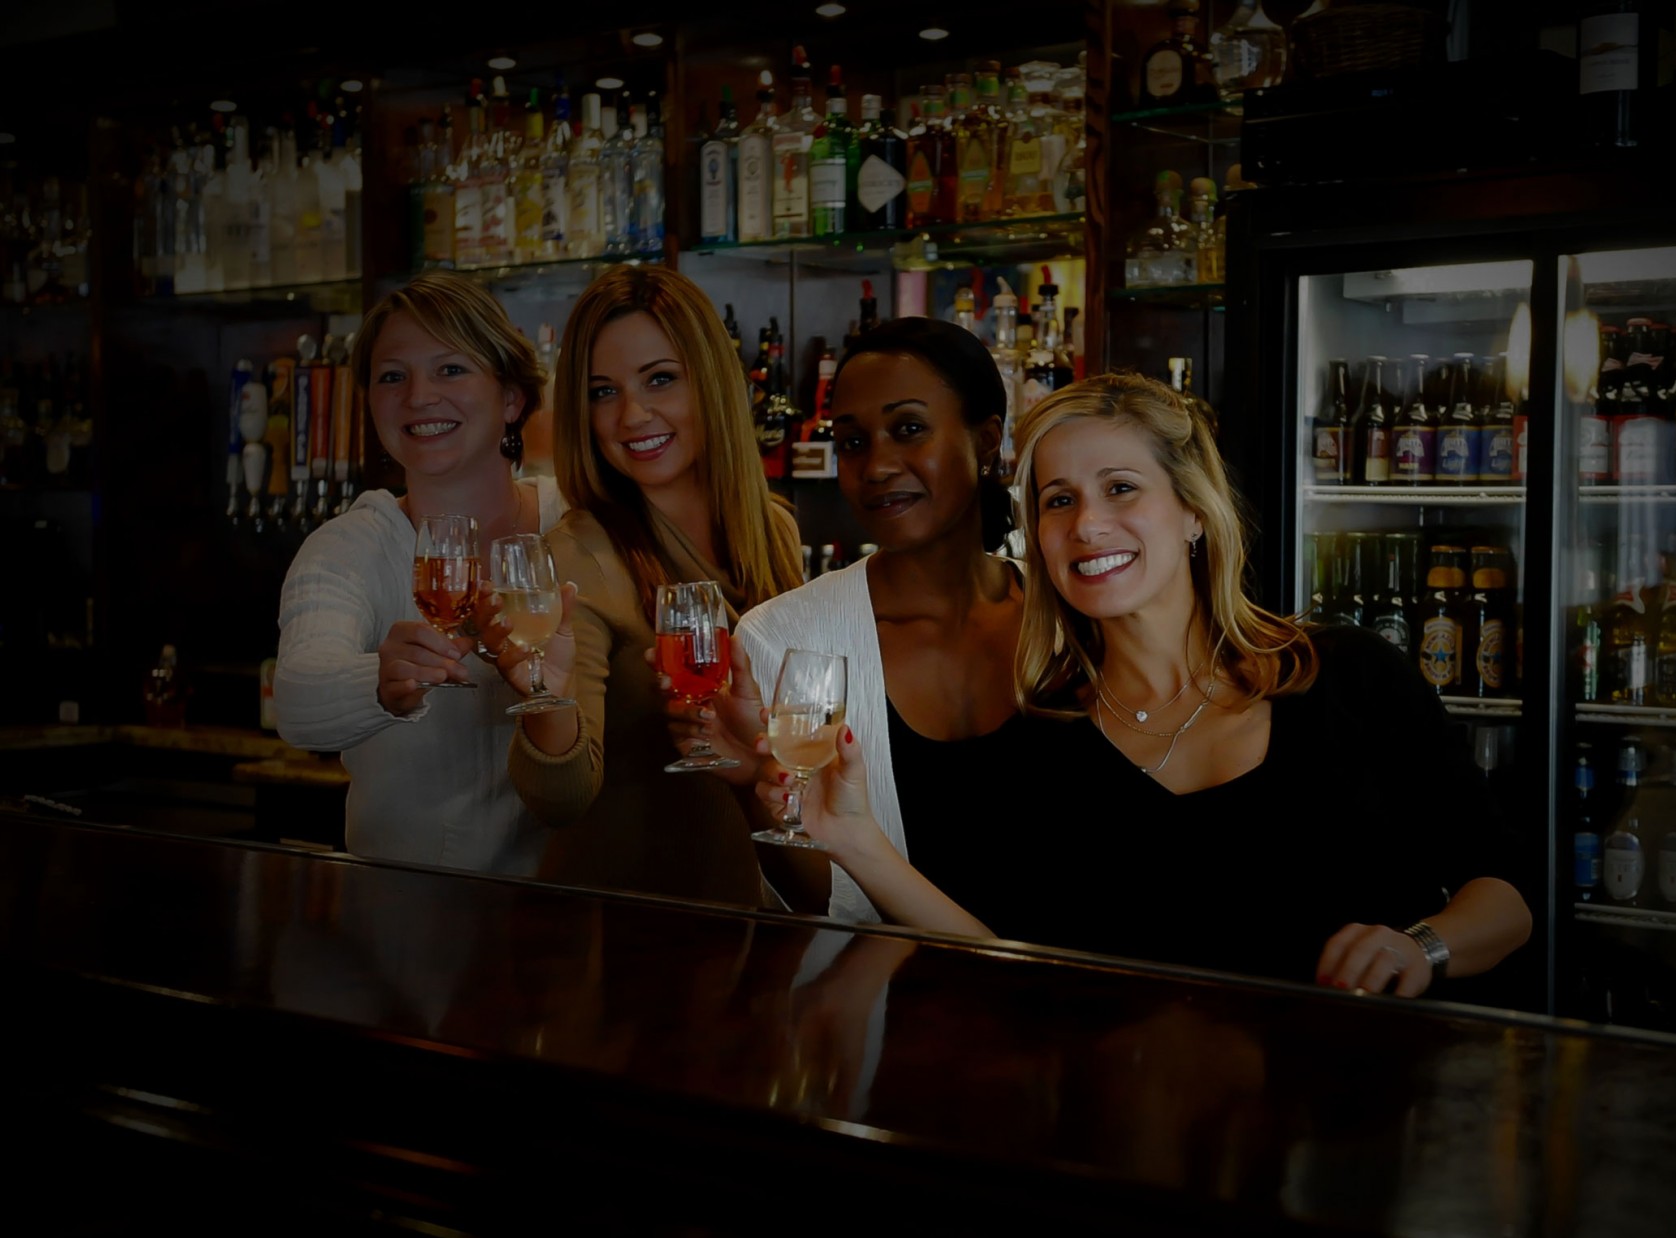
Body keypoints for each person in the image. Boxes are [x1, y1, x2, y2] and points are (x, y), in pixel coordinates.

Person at [752, 372, 1533, 995]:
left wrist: (1420, 946)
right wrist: (852, 836)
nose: (1087, 524)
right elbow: (1001, 956)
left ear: (1194, 510)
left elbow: (1506, 895)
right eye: (1058, 501)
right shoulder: (1039, 737)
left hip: (1357, 1135)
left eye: (1120, 488)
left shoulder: (1348, 676)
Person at [682, 317, 1026, 922]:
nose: (877, 467)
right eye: (853, 442)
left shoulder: (1071, 616)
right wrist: (753, 782)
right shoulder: (783, 640)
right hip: (886, 1007)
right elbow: (823, 908)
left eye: (909, 429)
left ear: (986, 438)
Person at [501, 265, 804, 906]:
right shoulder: (581, 553)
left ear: (711, 383)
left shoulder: (773, 531)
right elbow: (559, 799)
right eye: (602, 391)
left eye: (660, 380)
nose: (632, 415)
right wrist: (546, 700)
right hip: (624, 942)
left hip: (760, 932)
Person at [275, 271, 563, 876]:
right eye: (392, 376)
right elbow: (297, 700)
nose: (419, 396)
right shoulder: (350, 546)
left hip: (572, 925)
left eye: (450, 369)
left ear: (511, 397)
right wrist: (379, 682)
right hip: (408, 927)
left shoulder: (574, 525)